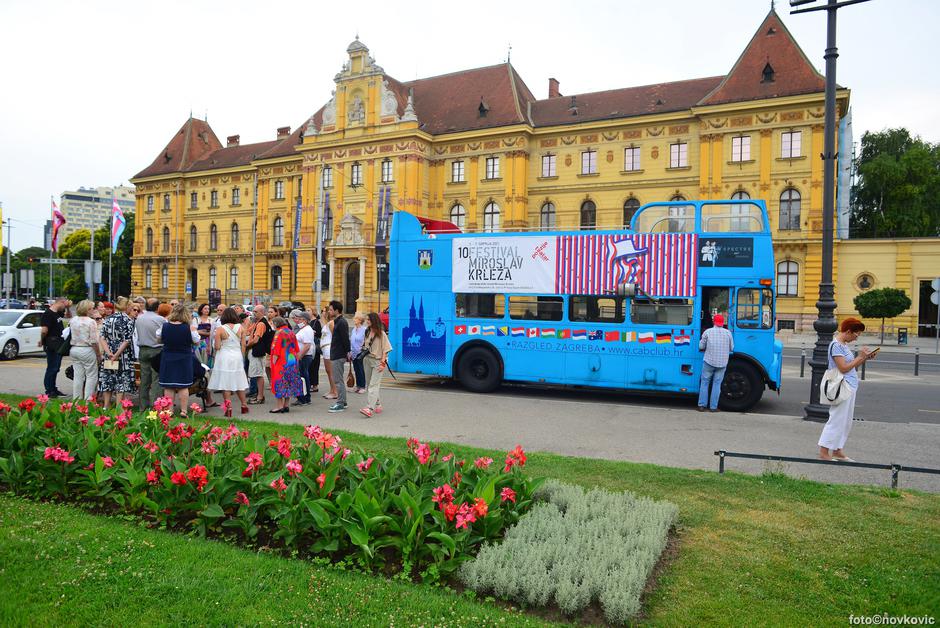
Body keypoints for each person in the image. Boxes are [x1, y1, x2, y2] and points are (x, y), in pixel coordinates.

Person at [818, 318, 875, 462]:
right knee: (836, 419)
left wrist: (864, 358)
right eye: (856, 335)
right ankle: (824, 452)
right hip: (842, 387)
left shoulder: (843, 345)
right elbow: (843, 368)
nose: (856, 338)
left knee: (846, 421)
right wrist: (860, 357)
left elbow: (851, 366)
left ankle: (837, 450)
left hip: (849, 386)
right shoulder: (836, 345)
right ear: (848, 331)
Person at [207, 307, 250, 417]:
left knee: (225, 383)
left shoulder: (220, 329)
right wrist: (242, 356)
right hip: (237, 355)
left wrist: (220, 345)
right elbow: (244, 344)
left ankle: (228, 408)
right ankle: (244, 405)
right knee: (239, 381)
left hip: (224, 356)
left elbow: (216, 346)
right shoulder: (241, 327)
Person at [97, 297, 136, 408]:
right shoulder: (128, 320)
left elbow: (102, 337)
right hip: (123, 356)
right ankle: (119, 407)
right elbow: (126, 340)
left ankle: (106, 405)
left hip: (108, 353)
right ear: (127, 306)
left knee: (108, 379)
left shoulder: (108, 319)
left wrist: (109, 353)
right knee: (121, 381)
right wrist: (117, 354)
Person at [158, 304, 197, 411]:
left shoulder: (164, 326)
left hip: (168, 357)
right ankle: (183, 410)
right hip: (184, 358)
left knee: (168, 386)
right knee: (183, 386)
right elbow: (196, 341)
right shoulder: (189, 327)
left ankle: (168, 410)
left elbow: (159, 339)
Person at [359, 312, 393, 418]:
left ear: (374, 320)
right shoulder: (367, 331)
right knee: (370, 384)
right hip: (367, 360)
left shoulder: (381, 333)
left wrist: (383, 363)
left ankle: (369, 408)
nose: (367, 321)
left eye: (369, 319)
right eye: (366, 319)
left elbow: (386, 350)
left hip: (377, 361)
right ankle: (378, 403)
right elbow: (365, 345)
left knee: (373, 385)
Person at [697, 312, 733, 412]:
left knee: (705, 382)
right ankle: (713, 407)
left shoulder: (707, 332)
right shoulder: (728, 333)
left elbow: (701, 346)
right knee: (717, 384)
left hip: (709, 361)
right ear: (722, 323)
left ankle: (702, 405)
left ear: (714, 321)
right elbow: (732, 348)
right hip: (722, 363)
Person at [269, 316, 303, 413]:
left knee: (279, 382)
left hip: (281, 362)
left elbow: (276, 349)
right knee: (288, 382)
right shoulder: (291, 332)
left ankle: (279, 406)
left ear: (276, 324)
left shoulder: (278, 333)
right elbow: (296, 348)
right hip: (291, 361)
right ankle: (286, 405)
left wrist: (273, 363)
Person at [69, 300, 102, 400]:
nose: (93, 310)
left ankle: (76, 400)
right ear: (88, 310)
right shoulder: (91, 322)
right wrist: (98, 354)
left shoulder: (73, 320)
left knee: (78, 376)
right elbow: (94, 341)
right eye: (92, 308)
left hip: (74, 349)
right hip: (87, 349)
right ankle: (88, 400)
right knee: (91, 376)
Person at [136, 298, 165, 409]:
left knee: (144, 379)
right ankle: (155, 406)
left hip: (143, 349)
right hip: (156, 350)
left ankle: (143, 406)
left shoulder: (139, 318)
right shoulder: (160, 319)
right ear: (157, 307)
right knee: (156, 379)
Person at [39, 297, 70, 397]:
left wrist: (68, 308)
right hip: (52, 342)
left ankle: (53, 388)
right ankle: (49, 390)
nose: (65, 307)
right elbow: (44, 330)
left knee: (56, 367)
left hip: (58, 342)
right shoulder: (48, 314)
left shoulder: (58, 313)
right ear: (60, 302)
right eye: (65, 305)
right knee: (52, 367)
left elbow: (69, 315)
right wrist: (42, 340)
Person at [328, 300, 350, 413]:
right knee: (338, 379)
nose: (329, 311)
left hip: (338, 354)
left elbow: (345, 338)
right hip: (336, 353)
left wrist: (348, 352)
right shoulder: (337, 321)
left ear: (337, 310)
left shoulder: (341, 322)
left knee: (338, 380)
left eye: (331, 309)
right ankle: (343, 401)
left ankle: (340, 403)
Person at [245, 305, 271, 404]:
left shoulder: (261, 324)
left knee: (258, 375)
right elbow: (247, 332)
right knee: (255, 374)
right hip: (256, 352)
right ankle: (259, 396)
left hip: (257, 352)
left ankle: (260, 397)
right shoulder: (257, 322)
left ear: (262, 312)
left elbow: (255, 340)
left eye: (256, 312)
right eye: (253, 311)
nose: (253, 313)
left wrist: (246, 346)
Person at [291, 309, 315, 406]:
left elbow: (307, 345)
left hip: (304, 357)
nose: (298, 321)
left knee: (303, 377)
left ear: (305, 320)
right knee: (303, 376)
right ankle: (303, 397)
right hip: (302, 356)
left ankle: (304, 398)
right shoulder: (303, 329)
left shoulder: (307, 330)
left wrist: (299, 356)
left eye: (300, 319)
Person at [319, 306, 337, 400]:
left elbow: (335, 337)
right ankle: (332, 389)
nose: (323, 312)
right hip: (325, 349)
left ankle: (335, 391)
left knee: (331, 371)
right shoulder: (326, 323)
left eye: (324, 311)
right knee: (328, 371)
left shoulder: (331, 323)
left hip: (329, 348)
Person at [350, 312, 367, 393]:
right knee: (356, 370)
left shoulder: (364, 330)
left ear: (360, 320)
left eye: (356, 318)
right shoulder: (354, 329)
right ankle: (358, 386)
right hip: (353, 352)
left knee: (360, 370)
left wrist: (363, 348)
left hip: (360, 353)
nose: (354, 319)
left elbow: (366, 341)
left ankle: (362, 386)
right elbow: (352, 341)